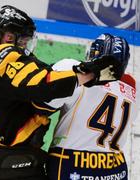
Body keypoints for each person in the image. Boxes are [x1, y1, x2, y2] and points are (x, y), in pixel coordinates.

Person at [0, 5, 120, 180]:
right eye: (22, 41)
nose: (24, 47)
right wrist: (88, 74)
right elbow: (43, 86)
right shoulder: (5, 56)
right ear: (8, 37)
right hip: (17, 168)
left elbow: (17, 88)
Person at [33, 33, 138, 180]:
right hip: (116, 168)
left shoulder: (71, 68)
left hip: (72, 162)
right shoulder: (134, 87)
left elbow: (39, 105)